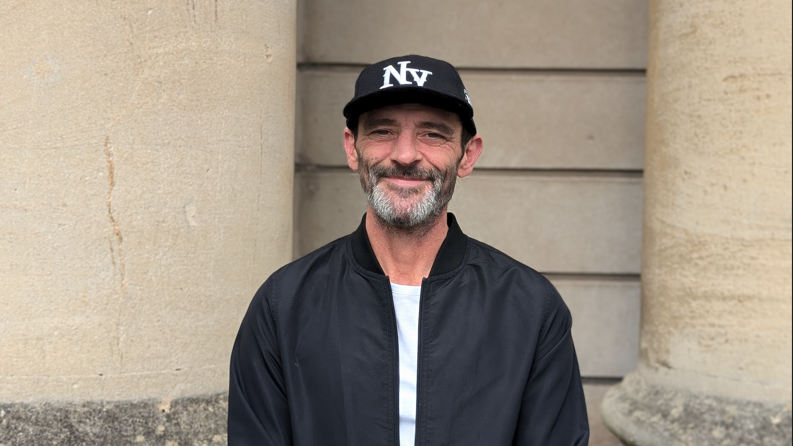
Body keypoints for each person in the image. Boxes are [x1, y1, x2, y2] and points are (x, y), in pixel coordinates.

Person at [228, 55, 589, 446]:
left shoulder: (531, 309)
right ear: (352, 149)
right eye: (382, 131)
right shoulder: (284, 305)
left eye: (432, 134)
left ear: (467, 154)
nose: (404, 154)